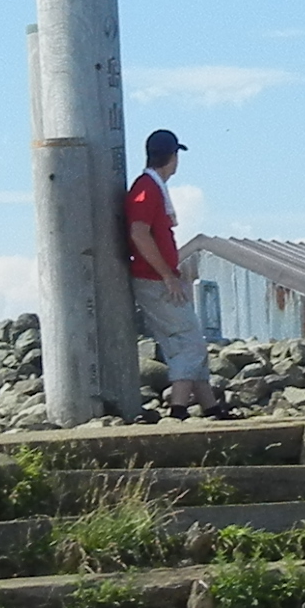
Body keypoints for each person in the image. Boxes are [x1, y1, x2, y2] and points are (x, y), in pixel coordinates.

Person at [121, 130, 223, 418]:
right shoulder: (147, 190)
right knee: (189, 343)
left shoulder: (150, 188)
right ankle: (178, 409)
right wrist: (167, 275)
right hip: (154, 279)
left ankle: (211, 407)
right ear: (173, 157)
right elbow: (139, 233)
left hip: (158, 278)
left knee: (190, 341)